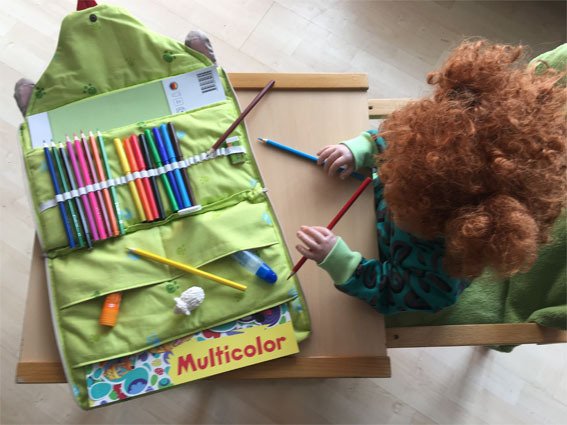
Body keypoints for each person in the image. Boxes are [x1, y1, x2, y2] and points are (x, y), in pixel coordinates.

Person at [295, 40, 566, 315]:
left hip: (375, 262)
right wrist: (360, 148)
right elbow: (398, 141)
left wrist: (342, 263)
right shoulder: (430, 148)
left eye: (402, 200)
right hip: (360, 209)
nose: (391, 181)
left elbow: (393, 291)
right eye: (396, 172)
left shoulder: (442, 272)